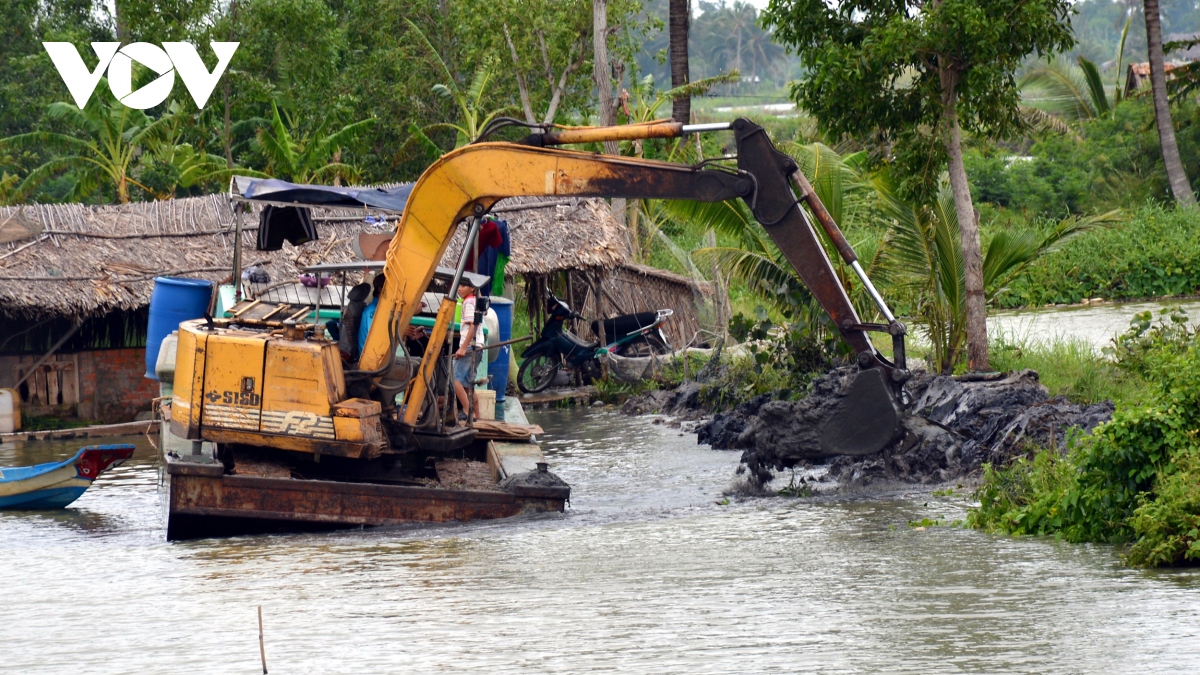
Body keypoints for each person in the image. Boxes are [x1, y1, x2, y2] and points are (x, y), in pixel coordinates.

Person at [453, 280, 484, 421]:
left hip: (471, 346)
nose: (459, 289)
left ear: (472, 288)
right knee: (468, 384)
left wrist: (464, 347)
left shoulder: (469, 302)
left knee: (453, 379)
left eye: (463, 286)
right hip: (477, 346)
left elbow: (473, 324)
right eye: (459, 285)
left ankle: (467, 410)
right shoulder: (475, 301)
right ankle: (477, 415)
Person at [357, 273, 386, 356]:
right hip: (370, 358)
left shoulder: (382, 309)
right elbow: (377, 337)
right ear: (380, 289)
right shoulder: (373, 311)